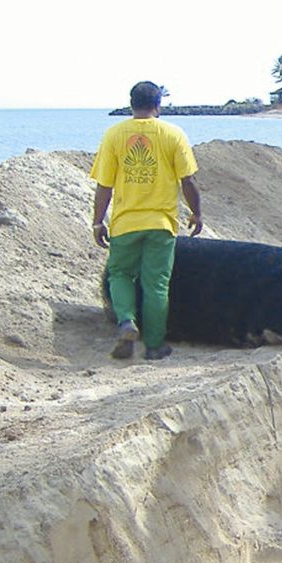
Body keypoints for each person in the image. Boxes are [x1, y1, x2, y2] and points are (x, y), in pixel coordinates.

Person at [89, 80, 204, 361]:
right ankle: (154, 346)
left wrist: (97, 222)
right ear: (158, 105)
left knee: (119, 274)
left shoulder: (114, 135)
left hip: (125, 223)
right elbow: (187, 180)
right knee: (156, 284)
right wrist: (197, 212)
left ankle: (127, 322)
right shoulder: (173, 134)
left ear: (131, 104)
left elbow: (104, 185)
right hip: (161, 224)